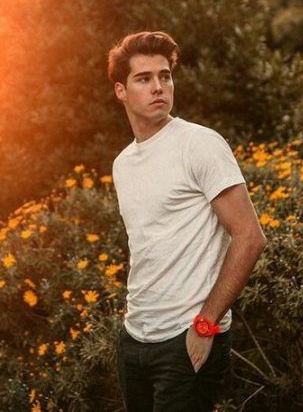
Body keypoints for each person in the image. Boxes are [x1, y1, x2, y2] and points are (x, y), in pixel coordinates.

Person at [107, 31, 267, 412]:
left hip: (187, 338)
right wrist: (130, 327)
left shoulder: (200, 144)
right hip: (135, 338)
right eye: (144, 79)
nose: (158, 87)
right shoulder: (122, 164)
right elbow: (147, 245)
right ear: (121, 91)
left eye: (165, 76)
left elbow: (250, 236)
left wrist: (206, 325)